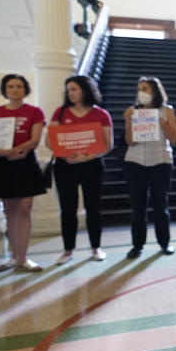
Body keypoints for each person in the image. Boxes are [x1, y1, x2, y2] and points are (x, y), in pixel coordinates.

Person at [0, 74, 47, 271]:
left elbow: (35, 139)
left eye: (19, 86)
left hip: (25, 162)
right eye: (10, 86)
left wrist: (19, 151)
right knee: (9, 210)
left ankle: (24, 257)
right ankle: (14, 255)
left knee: (25, 208)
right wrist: (8, 153)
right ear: (5, 90)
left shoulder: (34, 111)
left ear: (25, 89)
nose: (15, 89)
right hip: (3, 164)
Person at [48, 75, 113, 264]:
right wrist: (65, 154)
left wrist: (87, 156)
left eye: (75, 89)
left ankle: (96, 248)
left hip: (92, 166)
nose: (71, 93)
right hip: (65, 165)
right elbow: (50, 140)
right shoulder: (60, 113)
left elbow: (108, 144)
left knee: (93, 207)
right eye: (69, 90)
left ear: (86, 90)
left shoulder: (101, 114)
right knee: (68, 209)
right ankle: (67, 251)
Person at [122, 76, 176, 258]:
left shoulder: (166, 111)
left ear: (154, 91)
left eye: (145, 88)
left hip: (161, 161)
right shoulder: (133, 111)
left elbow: (174, 138)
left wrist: (162, 123)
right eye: (140, 89)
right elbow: (129, 141)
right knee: (138, 206)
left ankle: (165, 242)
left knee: (160, 204)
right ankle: (137, 245)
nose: (142, 92)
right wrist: (128, 121)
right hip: (135, 161)